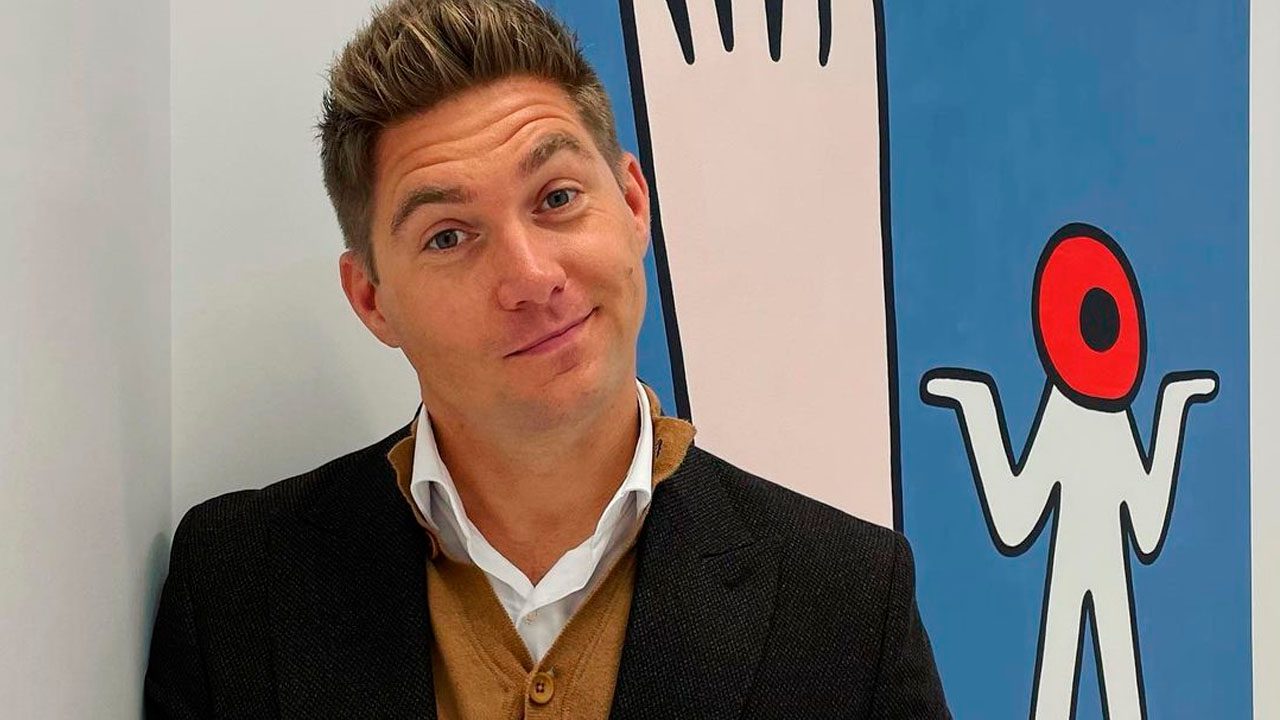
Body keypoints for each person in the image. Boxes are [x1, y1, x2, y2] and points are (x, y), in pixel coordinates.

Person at [144, 0, 951, 717]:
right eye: (448, 237)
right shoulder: (237, 589)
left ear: (631, 202)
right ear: (372, 301)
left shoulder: (847, 600)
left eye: (557, 198)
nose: (530, 277)